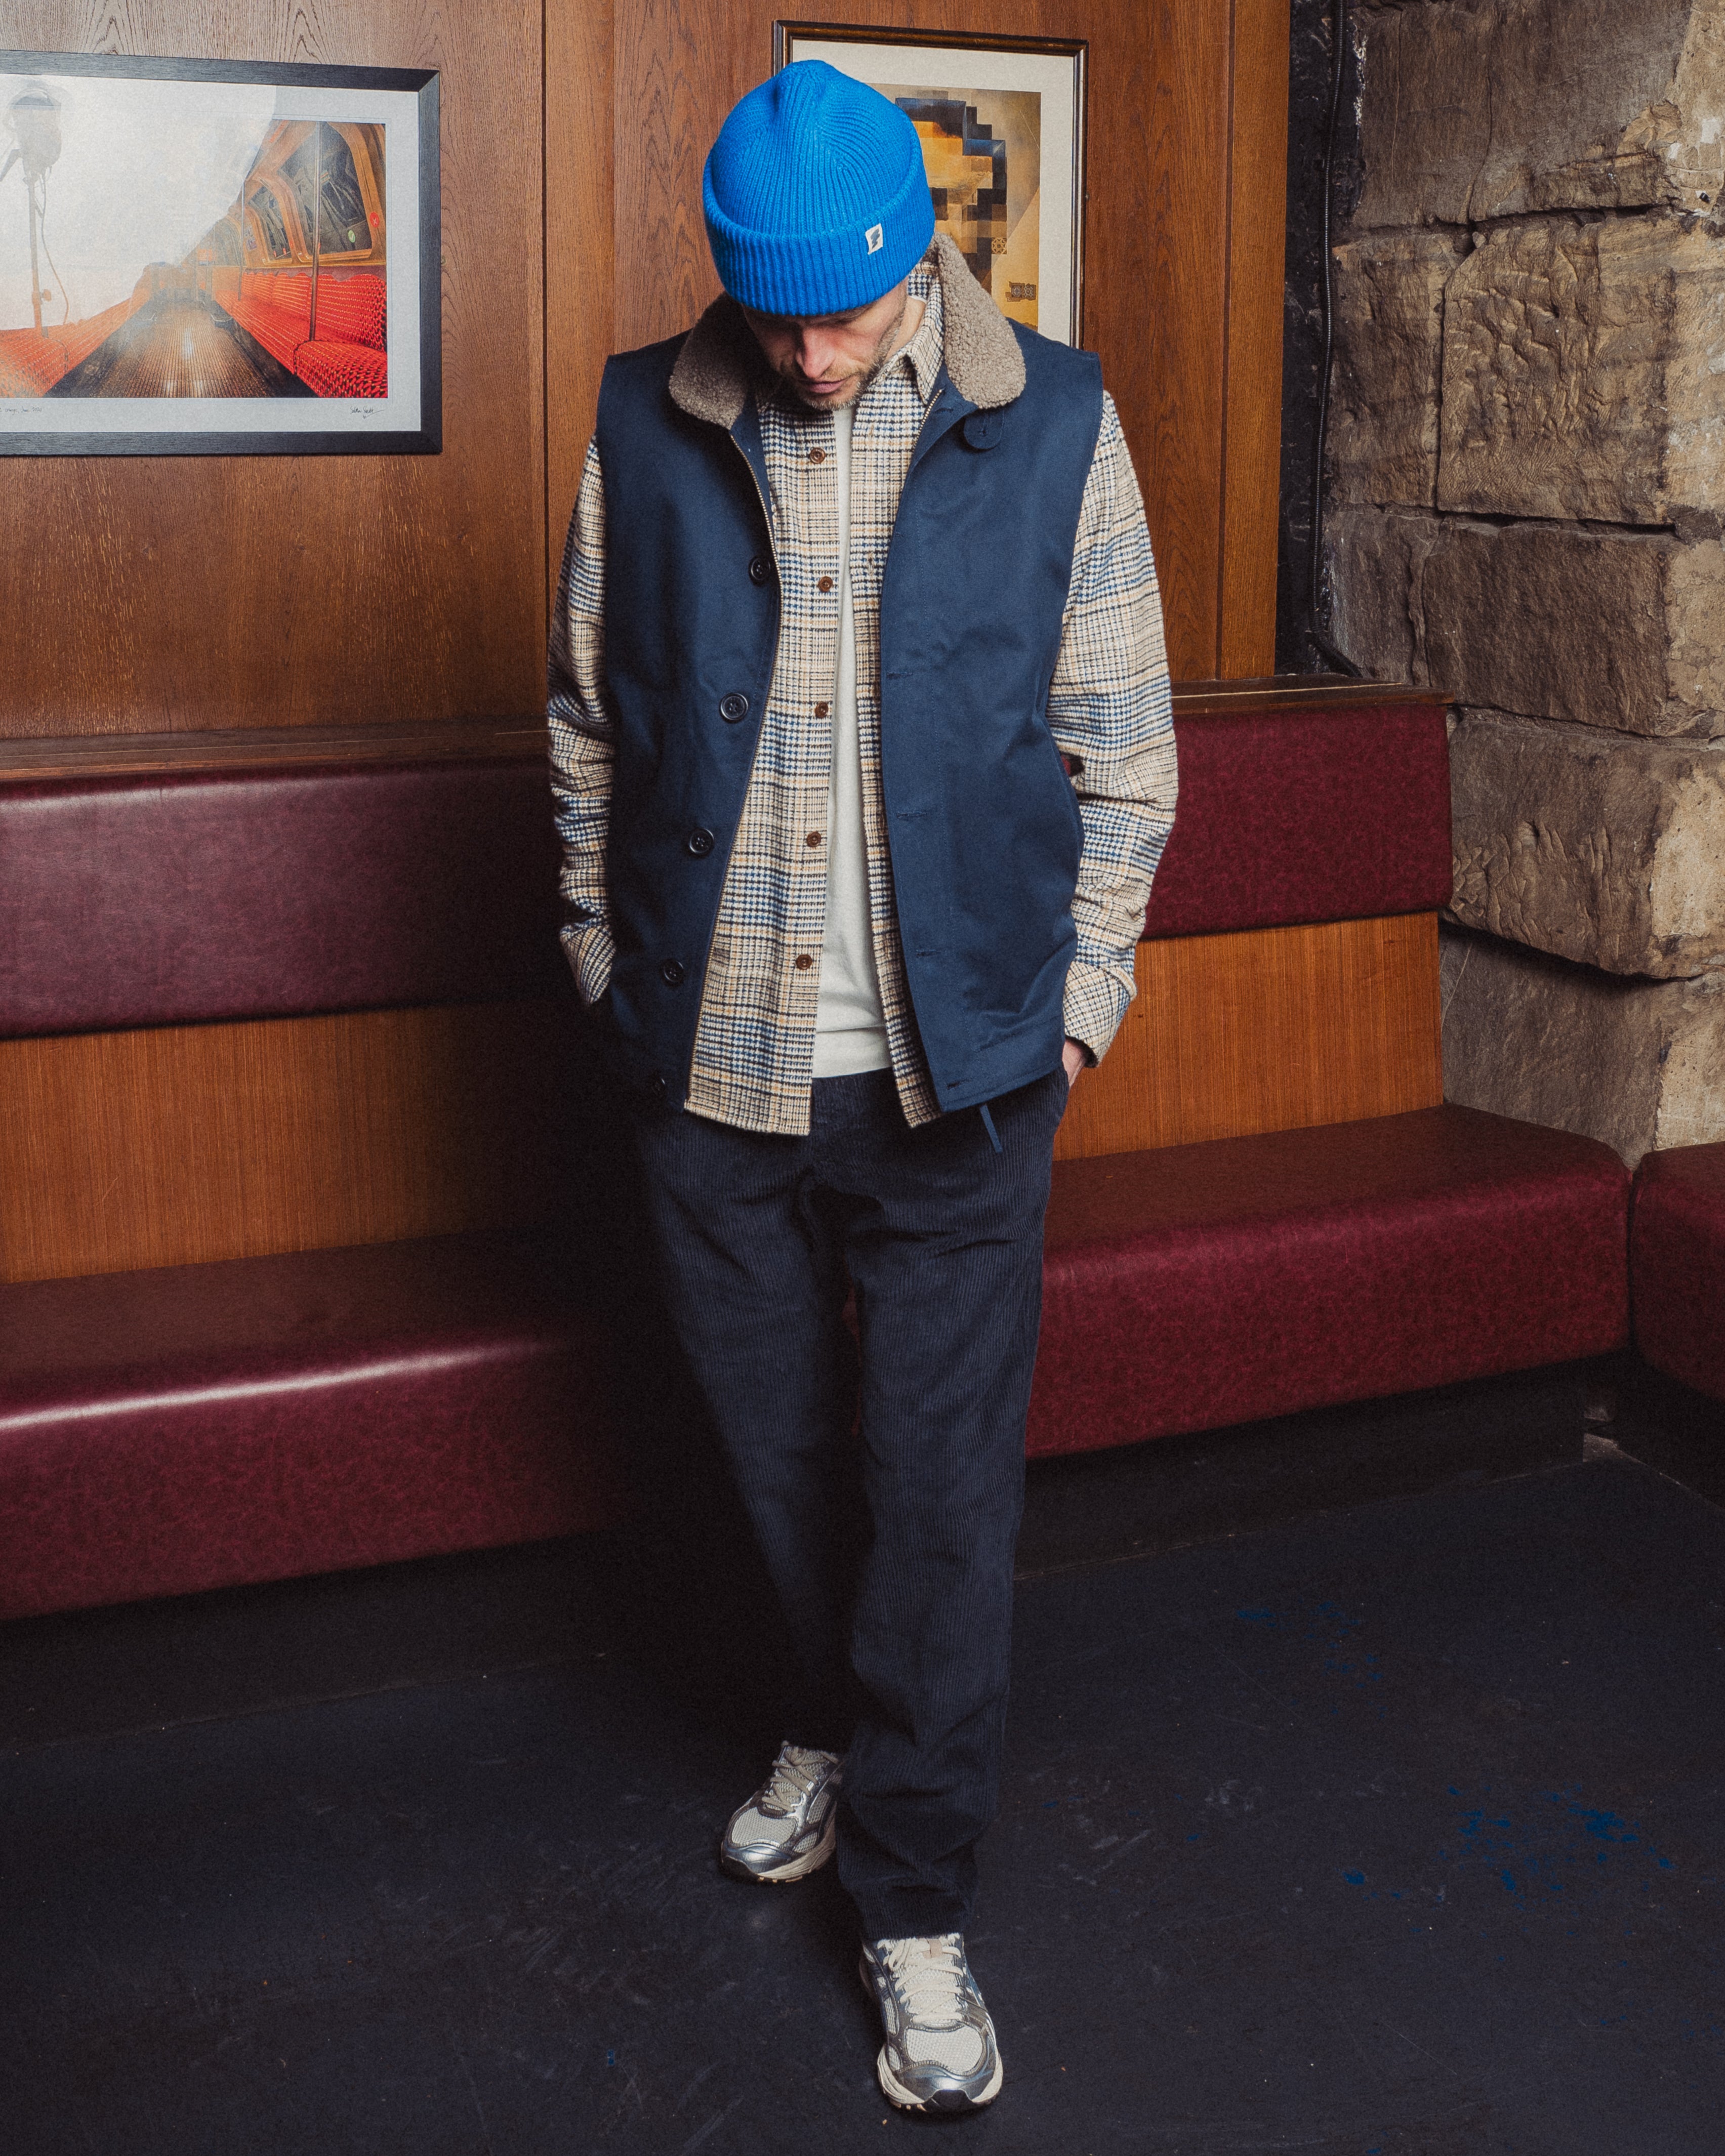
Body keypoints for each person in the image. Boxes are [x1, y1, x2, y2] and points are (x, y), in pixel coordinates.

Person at [549, 59, 1176, 2117]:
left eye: (854, 313)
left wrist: (1076, 1002)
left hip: (963, 1073)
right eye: (782, 318)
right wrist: (598, 963)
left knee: (935, 1494)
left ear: (920, 258)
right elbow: (583, 727)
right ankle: (823, 1718)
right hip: (709, 1062)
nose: (817, 359)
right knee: (766, 1453)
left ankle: (913, 1906)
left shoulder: (1057, 418)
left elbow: (1123, 738)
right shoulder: (645, 419)